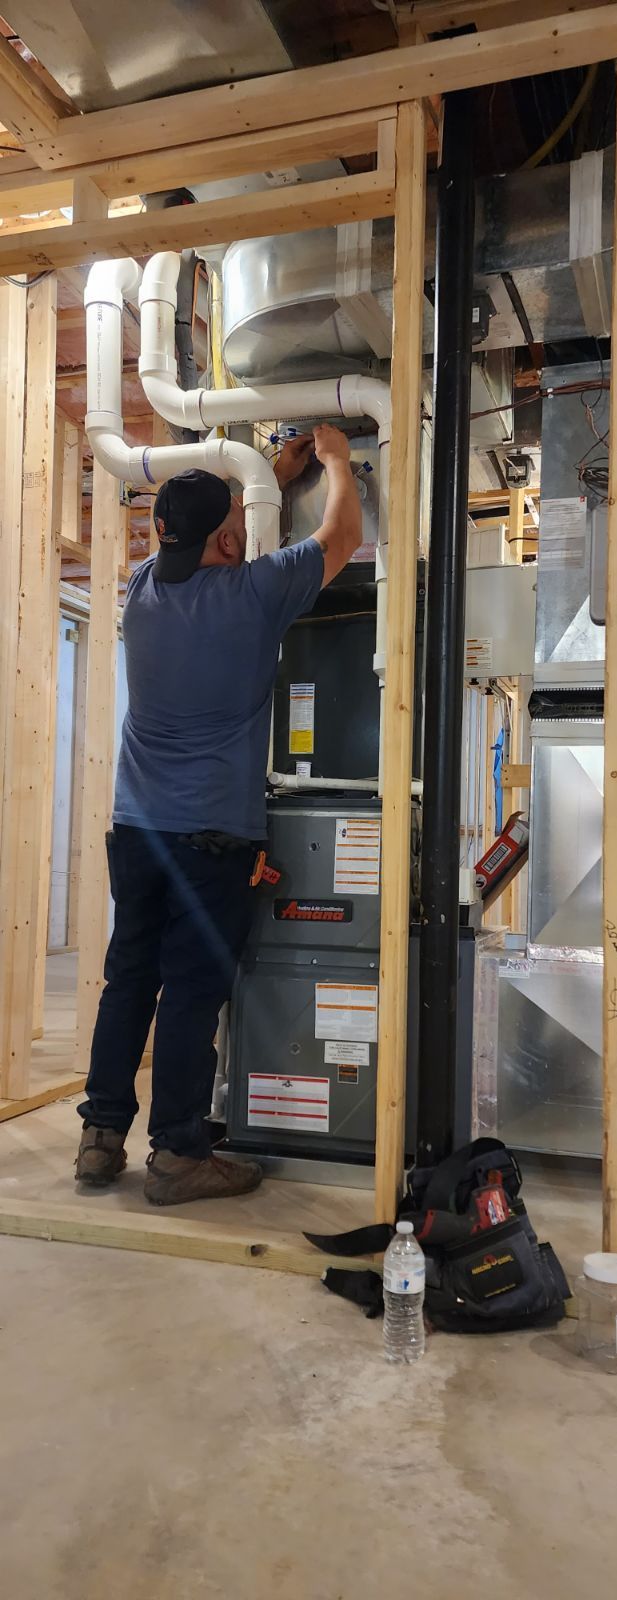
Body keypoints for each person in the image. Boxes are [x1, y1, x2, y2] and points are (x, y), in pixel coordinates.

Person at [75, 424, 362, 1205]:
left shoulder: (143, 588)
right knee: (191, 993)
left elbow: (207, 528)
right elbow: (343, 534)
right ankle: (176, 1156)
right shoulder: (253, 595)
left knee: (128, 980)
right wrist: (333, 460)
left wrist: (267, 474)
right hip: (210, 842)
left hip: (136, 832)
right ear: (230, 540)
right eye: (233, 528)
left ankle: (101, 1137)